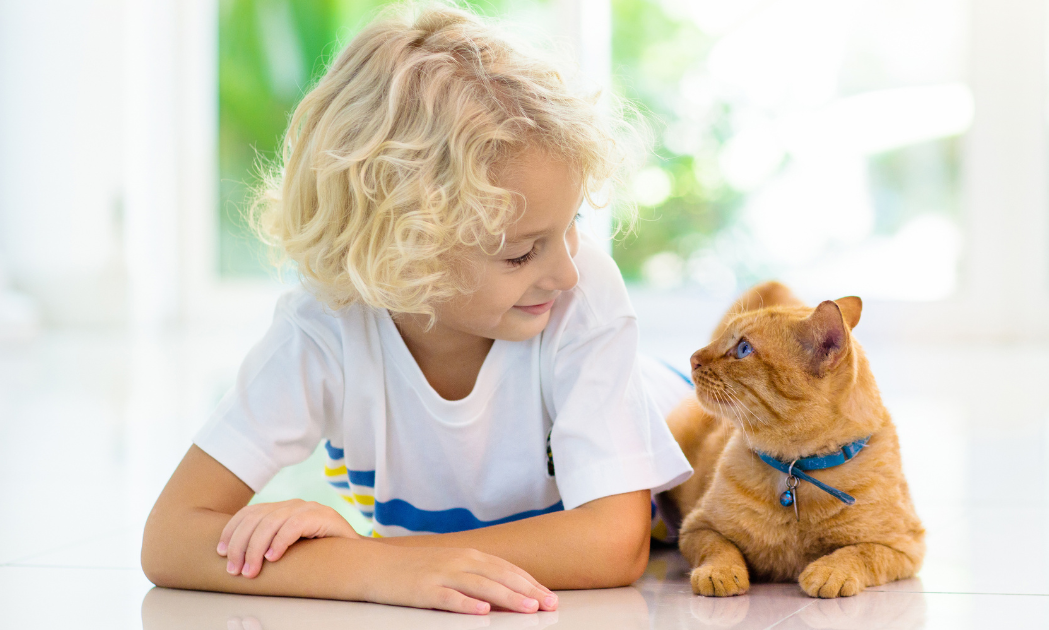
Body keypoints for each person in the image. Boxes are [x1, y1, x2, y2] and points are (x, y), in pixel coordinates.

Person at [140, 2, 693, 616]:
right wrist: (372, 568)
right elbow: (170, 539)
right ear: (401, 252)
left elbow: (613, 543)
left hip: (697, 421)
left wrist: (375, 559)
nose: (564, 270)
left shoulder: (581, 291)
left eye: (572, 225)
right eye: (519, 253)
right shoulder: (325, 328)